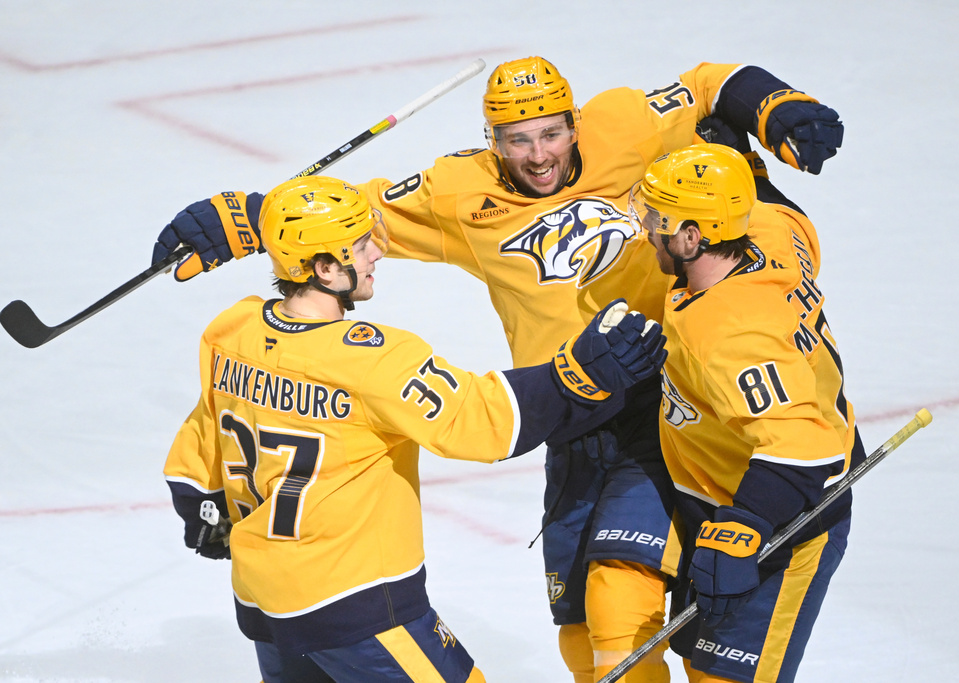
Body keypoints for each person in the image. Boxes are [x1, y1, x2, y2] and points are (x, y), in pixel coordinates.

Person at [152, 57, 844, 682]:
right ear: (493, 141)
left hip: (657, 402)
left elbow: (708, 87)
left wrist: (777, 104)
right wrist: (248, 219)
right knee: (581, 630)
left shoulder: (623, 124)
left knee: (618, 599)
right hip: (567, 413)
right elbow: (358, 219)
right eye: (517, 139)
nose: (538, 155)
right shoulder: (462, 191)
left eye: (551, 133)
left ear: (575, 123)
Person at [163, 175, 667, 683]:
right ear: (323, 268)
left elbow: (205, 428)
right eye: (360, 246)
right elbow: (479, 422)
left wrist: (199, 502)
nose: (376, 253)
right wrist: (578, 374)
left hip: (263, 599)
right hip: (353, 603)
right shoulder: (373, 357)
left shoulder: (233, 329)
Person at [626, 138, 864, 682]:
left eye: (657, 219)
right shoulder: (766, 236)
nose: (647, 230)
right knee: (697, 659)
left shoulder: (733, 336)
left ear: (692, 236)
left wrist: (746, 524)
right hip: (713, 487)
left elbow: (808, 448)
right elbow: (784, 210)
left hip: (789, 522)